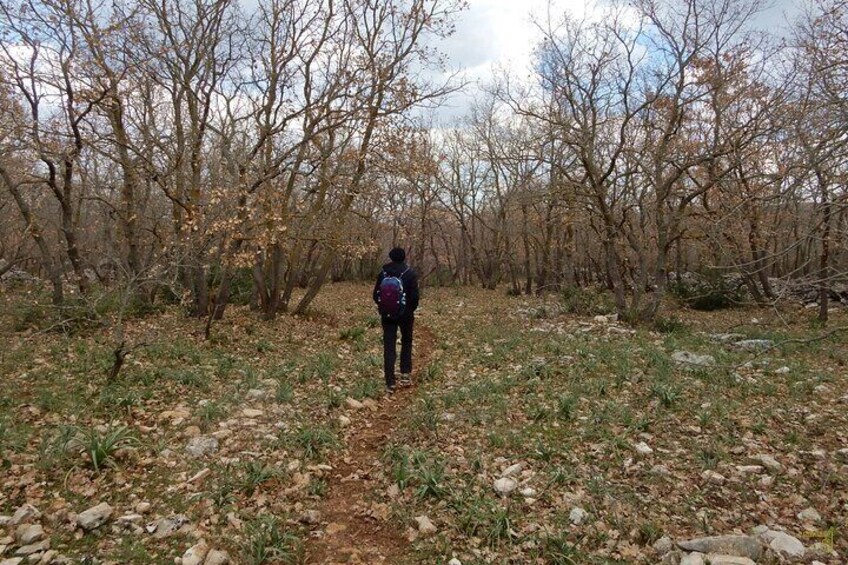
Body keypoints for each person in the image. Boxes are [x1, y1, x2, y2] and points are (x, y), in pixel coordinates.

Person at [373, 247, 419, 393]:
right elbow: (415, 297)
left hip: (387, 315)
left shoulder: (383, 273)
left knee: (389, 345)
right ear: (404, 257)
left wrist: (384, 306)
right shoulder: (410, 273)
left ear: (391, 257)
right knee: (406, 341)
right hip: (406, 315)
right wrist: (410, 309)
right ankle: (405, 374)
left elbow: (376, 295)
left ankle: (390, 381)